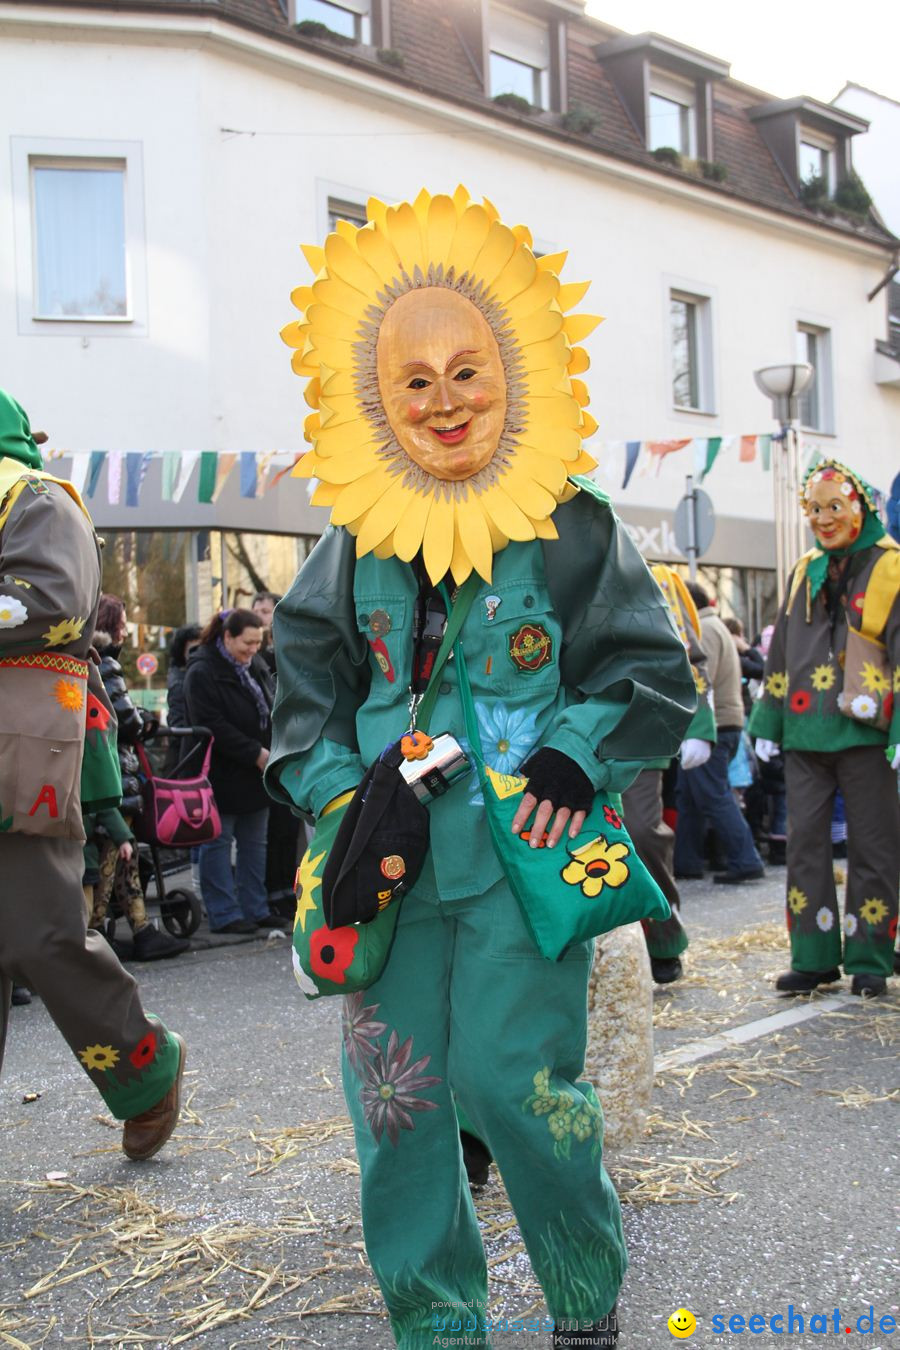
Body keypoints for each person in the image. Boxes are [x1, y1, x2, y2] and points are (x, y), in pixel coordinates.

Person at [265, 189, 696, 1349]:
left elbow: (654, 671)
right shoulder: (348, 536)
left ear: (515, 372)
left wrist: (577, 746)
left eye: (468, 371)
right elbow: (303, 701)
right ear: (375, 396)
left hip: (524, 863)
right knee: (398, 1113)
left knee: (514, 1088)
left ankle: (580, 1293)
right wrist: (331, 801)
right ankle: (437, 1325)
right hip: (385, 869)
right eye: (415, 380)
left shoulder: (568, 523)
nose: (444, 401)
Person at [0, 387, 185, 1159]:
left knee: (45, 935)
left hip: (17, 754)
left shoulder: (33, 497)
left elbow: (49, 603)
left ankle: (146, 1069)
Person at [749, 458, 900, 997]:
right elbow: (783, 649)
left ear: (859, 507)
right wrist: (767, 720)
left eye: (834, 506)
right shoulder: (803, 569)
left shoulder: (891, 567)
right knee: (805, 845)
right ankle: (812, 956)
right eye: (813, 508)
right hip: (805, 732)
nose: (823, 518)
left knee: (874, 846)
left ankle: (871, 957)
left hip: (868, 735)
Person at [622, 566, 716, 985]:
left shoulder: (650, 576)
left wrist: (700, 726)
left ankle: (663, 939)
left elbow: (686, 656)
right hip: (566, 730)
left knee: (641, 832)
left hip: (639, 731)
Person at [92, 595, 188, 959]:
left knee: (123, 860)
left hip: (109, 777)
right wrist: (146, 719)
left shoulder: (89, 661)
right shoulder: (107, 665)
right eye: (124, 622)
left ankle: (140, 929)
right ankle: (100, 935)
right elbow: (127, 721)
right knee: (114, 857)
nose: (127, 630)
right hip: (115, 777)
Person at [183, 608, 285, 935]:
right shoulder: (202, 671)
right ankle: (224, 912)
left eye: (258, 642)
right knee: (218, 842)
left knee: (255, 844)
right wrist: (255, 752)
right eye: (248, 642)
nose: (254, 649)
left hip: (256, 772)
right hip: (221, 771)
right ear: (227, 637)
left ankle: (255, 907)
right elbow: (210, 724)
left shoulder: (253, 666)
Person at [673, 581, 766, 885]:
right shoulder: (714, 625)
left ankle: (746, 859)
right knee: (688, 795)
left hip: (714, 724)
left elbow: (700, 677)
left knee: (713, 794)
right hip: (722, 721)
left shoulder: (705, 629)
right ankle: (687, 863)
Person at [165, 623, 202, 730]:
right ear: (182, 652)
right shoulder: (180, 684)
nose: (200, 654)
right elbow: (179, 725)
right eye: (194, 650)